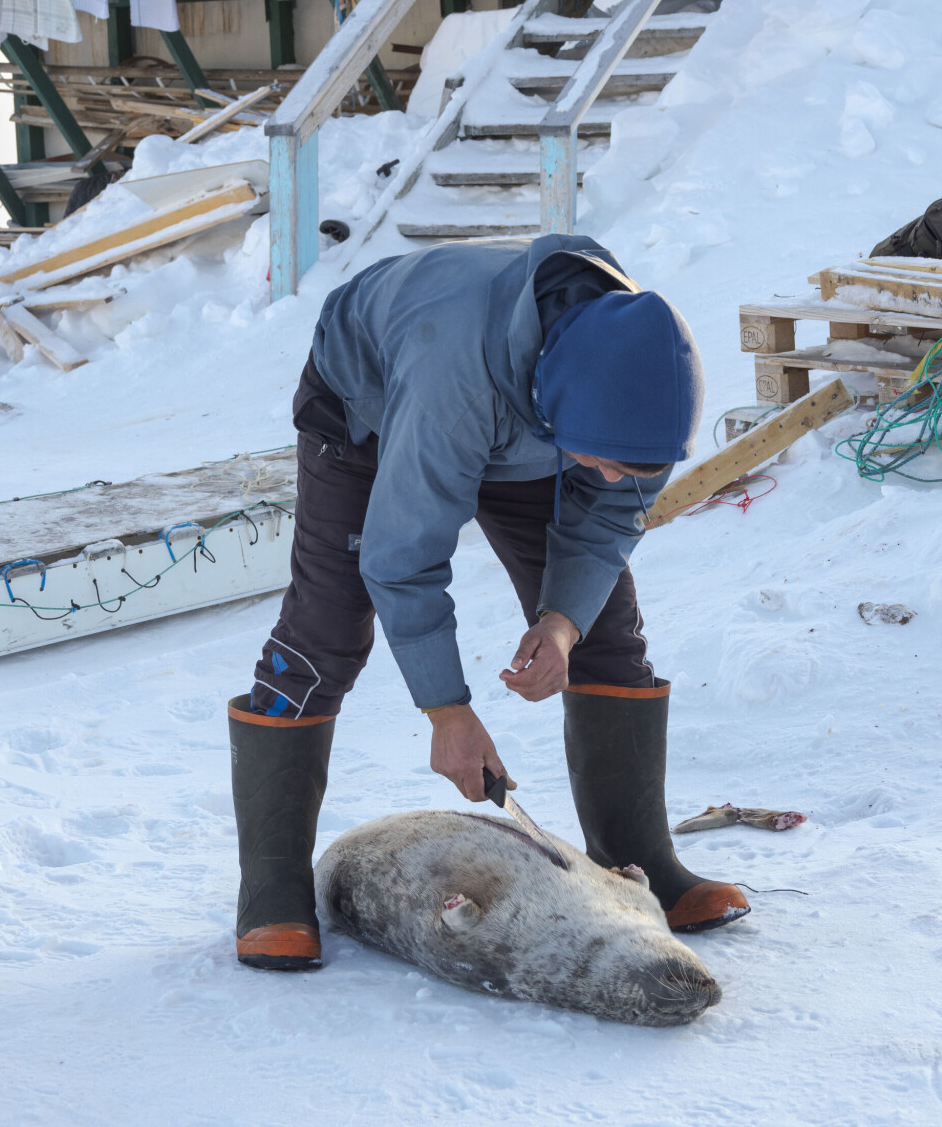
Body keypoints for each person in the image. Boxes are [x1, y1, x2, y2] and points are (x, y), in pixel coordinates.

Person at [227, 233, 749, 971]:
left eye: (626, 466)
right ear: (560, 408)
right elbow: (402, 557)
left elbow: (605, 520)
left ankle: (638, 866)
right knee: (328, 628)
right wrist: (448, 711)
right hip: (370, 405)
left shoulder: (642, 396)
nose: (610, 477)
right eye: (600, 459)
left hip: (533, 420)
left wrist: (561, 623)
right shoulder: (456, 384)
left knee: (607, 627)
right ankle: (273, 891)